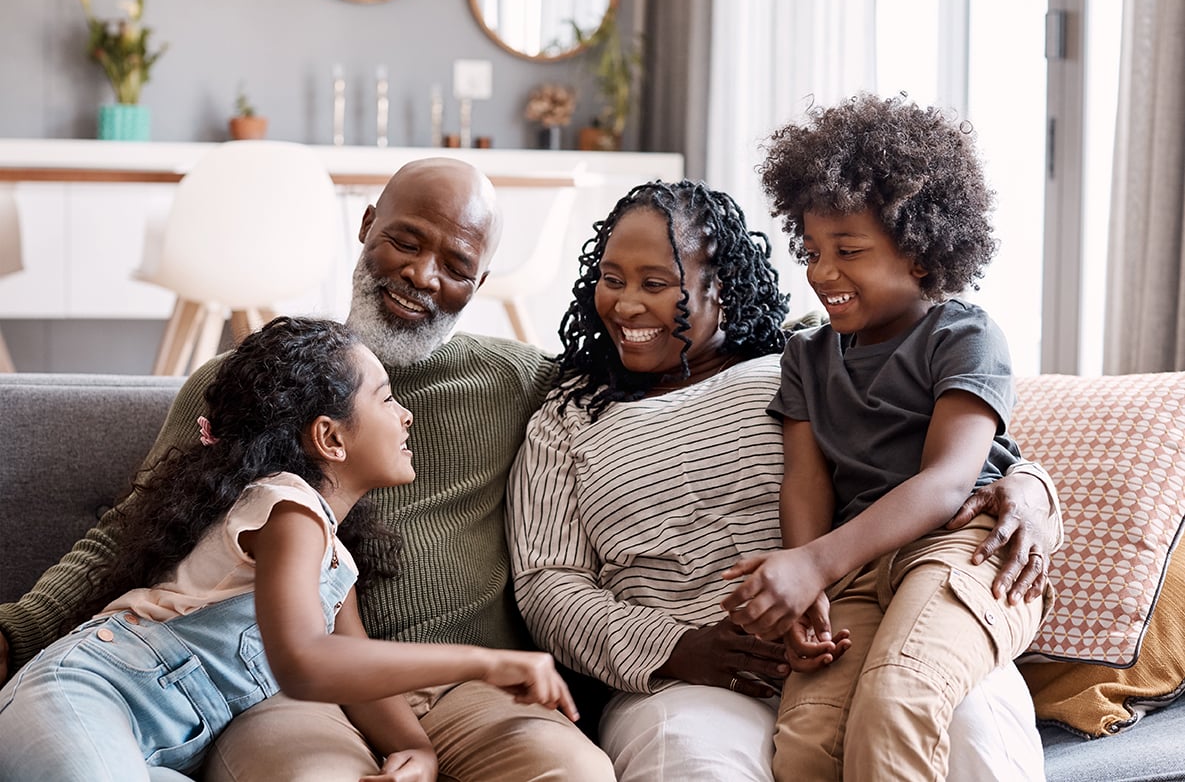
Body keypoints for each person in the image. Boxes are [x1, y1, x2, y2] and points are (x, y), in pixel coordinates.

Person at [0, 158, 615, 781]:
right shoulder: (247, 389)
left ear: (478, 284)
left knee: (573, 773)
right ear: (367, 225)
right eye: (405, 241)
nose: (421, 275)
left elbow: (635, 401)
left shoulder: (516, 382)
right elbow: (133, 529)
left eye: (456, 267)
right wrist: (15, 631)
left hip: (461, 695)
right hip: (283, 695)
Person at [507, 179, 1061, 781]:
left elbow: (957, 454)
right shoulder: (565, 420)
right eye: (611, 280)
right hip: (691, 680)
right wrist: (675, 648)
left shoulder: (800, 353)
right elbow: (547, 584)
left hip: (868, 618)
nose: (626, 305)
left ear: (721, 285)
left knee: (968, 722)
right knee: (696, 762)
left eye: (657, 284)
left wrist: (1032, 486)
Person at [0, 316, 577, 780]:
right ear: (330, 437)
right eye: (385, 400)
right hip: (87, 696)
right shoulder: (285, 509)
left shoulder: (332, 557)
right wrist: (487, 660)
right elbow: (305, 663)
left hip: (157, 750)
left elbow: (352, 672)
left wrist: (417, 749)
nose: (406, 417)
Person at [720, 93, 1054, 781]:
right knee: (808, 741)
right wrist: (808, 573)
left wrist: (814, 565)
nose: (821, 272)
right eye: (811, 250)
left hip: (964, 548)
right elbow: (806, 479)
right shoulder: (806, 356)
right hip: (859, 567)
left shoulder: (962, 335)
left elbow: (946, 482)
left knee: (897, 699)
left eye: (849, 251)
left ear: (923, 255)